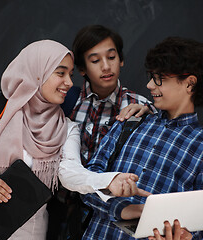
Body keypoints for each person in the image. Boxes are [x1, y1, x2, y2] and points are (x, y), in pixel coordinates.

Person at [0, 40, 143, 240]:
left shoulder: (67, 128)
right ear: (37, 73)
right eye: (60, 73)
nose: (70, 83)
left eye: (70, 75)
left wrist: (108, 180)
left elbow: (70, 173)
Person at [81, 36, 203, 240]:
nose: (149, 85)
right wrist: (125, 209)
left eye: (159, 79)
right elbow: (86, 183)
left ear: (189, 84)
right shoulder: (130, 121)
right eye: (151, 76)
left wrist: (184, 236)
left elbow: (200, 226)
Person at [48, 25, 155, 240]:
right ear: (81, 69)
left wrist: (150, 111)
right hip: (60, 210)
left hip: (108, 215)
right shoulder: (67, 101)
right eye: (95, 61)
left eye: (112, 57)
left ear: (121, 59)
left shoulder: (139, 106)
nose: (106, 66)